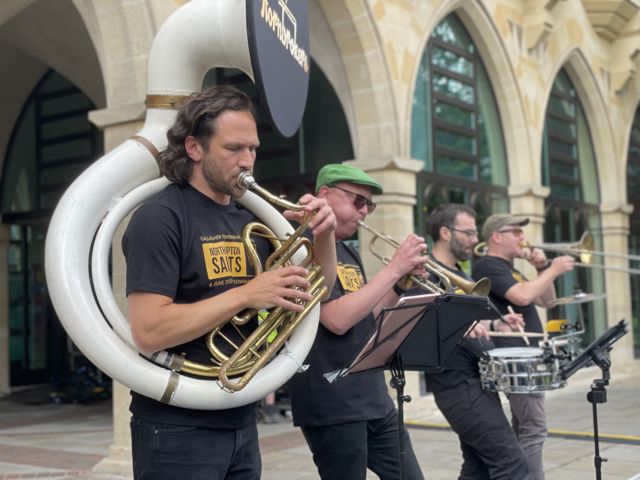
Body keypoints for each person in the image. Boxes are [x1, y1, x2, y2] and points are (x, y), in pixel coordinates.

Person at [121, 85, 337, 480]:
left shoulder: (248, 218)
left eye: (252, 149)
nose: (248, 161)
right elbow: (149, 330)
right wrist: (246, 295)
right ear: (194, 147)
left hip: (239, 413)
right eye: (234, 148)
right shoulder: (161, 217)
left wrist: (324, 234)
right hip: (176, 423)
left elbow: (318, 287)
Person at [288, 163, 427, 480]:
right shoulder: (301, 248)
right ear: (325, 195)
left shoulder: (349, 254)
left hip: (372, 396)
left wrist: (399, 284)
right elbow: (336, 319)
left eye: (370, 205)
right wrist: (393, 268)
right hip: (331, 399)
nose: (365, 212)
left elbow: (367, 317)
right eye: (358, 201)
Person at [423, 204, 530, 479]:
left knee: (478, 467)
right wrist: (459, 325)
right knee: (513, 463)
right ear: (445, 232)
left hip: (477, 379)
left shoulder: (463, 274)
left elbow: (472, 324)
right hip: (456, 383)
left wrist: (496, 324)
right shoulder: (425, 273)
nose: (475, 239)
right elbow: (418, 329)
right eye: (468, 232)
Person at [471, 213, 575, 480]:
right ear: (496, 236)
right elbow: (523, 295)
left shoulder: (510, 267)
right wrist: (554, 269)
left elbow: (547, 302)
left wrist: (542, 269)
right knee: (534, 429)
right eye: (515, 232)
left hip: (526, 355)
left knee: (524, 429)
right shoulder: (487, 265)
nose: (522, 238)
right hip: (515, 357)